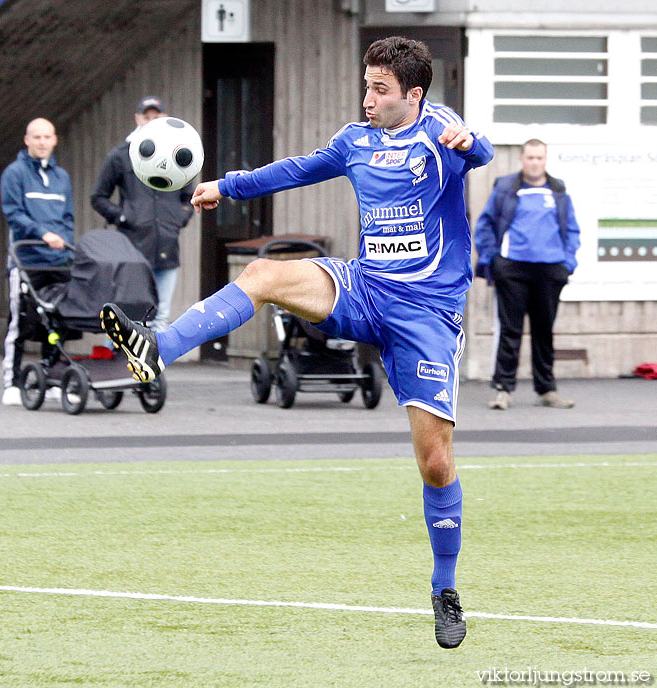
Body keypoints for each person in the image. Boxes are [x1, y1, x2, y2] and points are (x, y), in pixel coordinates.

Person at [100, 37, 493, 649]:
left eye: (381, 89)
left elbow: (480, 149)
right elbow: (296, 170)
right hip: (363, 287)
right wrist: (227, 187)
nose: (368, 98)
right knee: (263, 275)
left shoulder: (440, 128)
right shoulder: (355, 141)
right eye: (366, 85)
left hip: (426, 313)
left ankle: (445, 588)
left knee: (435, 462)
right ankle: (157, 348)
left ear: (414, 94)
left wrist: (471, 144)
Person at [474, 138, 580, 411]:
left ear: (545, 160)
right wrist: (492, 261)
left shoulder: (557, 190)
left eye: (539, 158)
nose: (535, 163)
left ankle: (546, 389)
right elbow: (485, 225)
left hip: (550, 269)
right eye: (530, 158)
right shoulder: (507, 187)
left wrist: (567, 263)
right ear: (522, 159)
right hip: (513, 268)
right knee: (510, 330)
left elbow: (572, 230)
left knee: (544, 331)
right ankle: (503, 390)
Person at [90, 96, 194, 331]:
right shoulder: (121, 154)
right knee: (126, 311)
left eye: (156, 117)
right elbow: (98, 197)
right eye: (146, 117)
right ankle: (120, 362)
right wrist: (124, 217)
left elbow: (189, 195)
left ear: (165, 118)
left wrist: (178, 219)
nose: (151, 121)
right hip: (132, 248)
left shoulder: (178, 153)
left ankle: (155, 364)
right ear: (137, 119)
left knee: (161, 314)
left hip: (167, 244)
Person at [1, 118, 74, 406]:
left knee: (57, 320)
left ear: (54, 140)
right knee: (19, 322)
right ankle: (12, 382)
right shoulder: (14, 173)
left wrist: (63, 243)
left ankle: (52, 375)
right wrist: (43, 234)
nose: (42, 142)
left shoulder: (62, 177)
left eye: (47, 137)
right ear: (27, 140)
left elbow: (68, 218)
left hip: (59, 261)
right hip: (27, 260)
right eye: (37, 137)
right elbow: (13, 214)